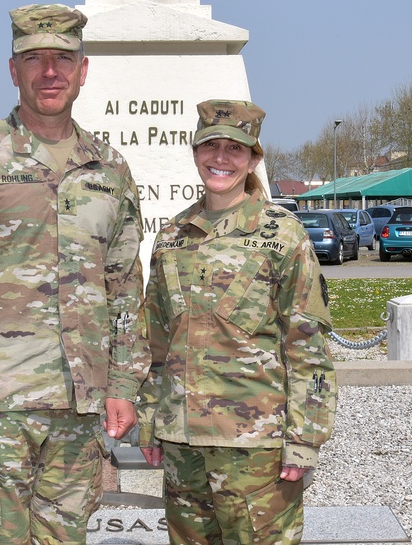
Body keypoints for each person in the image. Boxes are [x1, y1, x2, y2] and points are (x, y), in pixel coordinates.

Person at [0, 3, 149, 545]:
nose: (49, 72)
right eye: (34, 59)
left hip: (80, 407)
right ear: (12, 70)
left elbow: (125, 288)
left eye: (63, 59)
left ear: (83, 71)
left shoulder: (109, 170)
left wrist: (125, 384)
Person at [137, 100, 336, 545]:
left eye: (235, 149)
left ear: (253, 159)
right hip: (182, 440)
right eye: (211, 146)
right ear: (195, 152)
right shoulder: (172, 237)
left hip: (255, 447)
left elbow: (308, 346)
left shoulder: (283, 235)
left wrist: (304, 439)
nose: (221, 159)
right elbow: (154, 341)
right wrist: (150, 420)